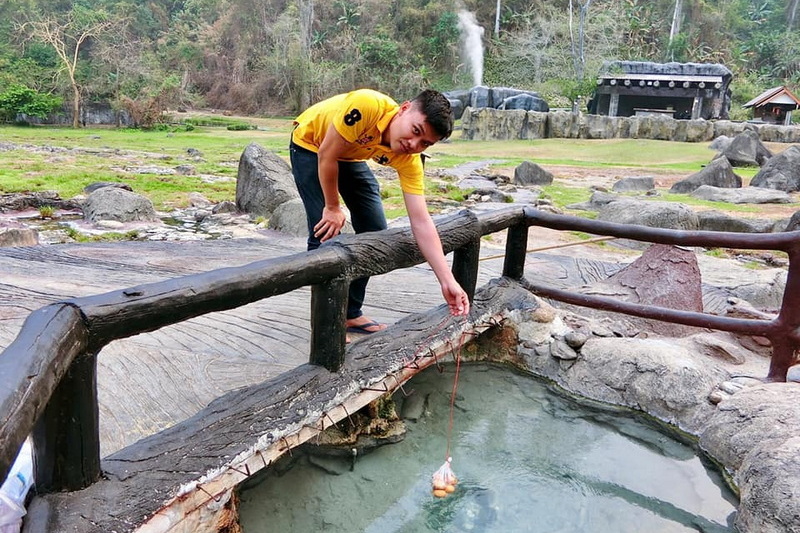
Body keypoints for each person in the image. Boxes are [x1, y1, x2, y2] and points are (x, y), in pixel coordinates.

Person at [290, 88, 470, 336]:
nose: (412, 145)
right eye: (415, 131)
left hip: (349, 155)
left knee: (375, 232)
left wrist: (447, 280)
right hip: (311, 144)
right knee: (324, 231)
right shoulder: (367, 106)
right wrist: (332, 207)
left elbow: (421, 222)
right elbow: (327, 154)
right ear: (404, 108)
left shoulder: (410, 159)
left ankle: (349, 313)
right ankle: (325, 328)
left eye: (425, 143)